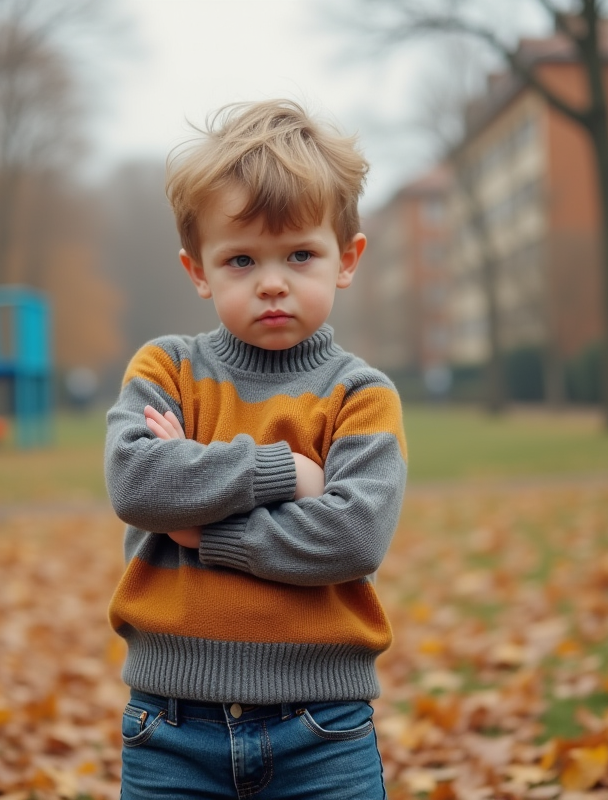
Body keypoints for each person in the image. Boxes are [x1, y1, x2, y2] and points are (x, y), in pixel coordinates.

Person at [104, 99, 407, 799]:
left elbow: (352, 535)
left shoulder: (360, 394)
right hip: (171, 729)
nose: (272, 281)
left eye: (300, 254)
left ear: (346, 259)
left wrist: (198, 530)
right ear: (199, 270)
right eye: (241, 259)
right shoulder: (166, 369)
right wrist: (287, 471)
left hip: (324, 732)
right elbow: (136, 483)